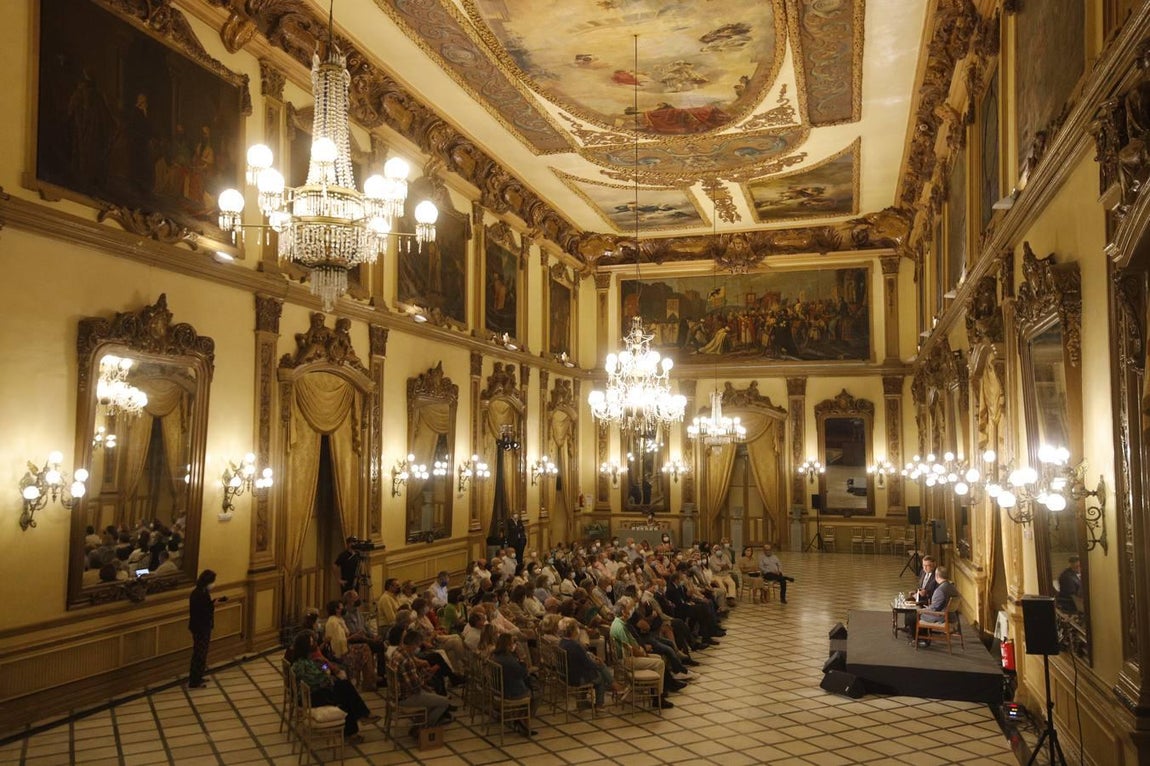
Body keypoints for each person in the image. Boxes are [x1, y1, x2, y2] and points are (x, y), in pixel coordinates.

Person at [290, 630, 377, 742]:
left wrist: (325, 668)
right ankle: (360, 718)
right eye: (312, 642)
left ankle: (356, 724)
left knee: (345, 688)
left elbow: (323, 669)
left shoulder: (307, 660)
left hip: (315, 691)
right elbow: (319, 678)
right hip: (310, 696)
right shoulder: (302, 664)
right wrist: (326, 673)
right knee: (346, 694)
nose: (315, 644)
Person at [387, 629, 453, 733]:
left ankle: (422, 722)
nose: (418, 648)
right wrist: (428, 675)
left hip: (397, 694)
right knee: (444, 702)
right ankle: (423, 728)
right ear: (414, 644)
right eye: (418, 645)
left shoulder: (398, 652)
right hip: (406, 697)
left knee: (434, 696)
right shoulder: (407, 661)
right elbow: (416, 687)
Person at [491, 632, 537, 735]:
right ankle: (523, 721)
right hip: (510, 692)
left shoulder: (495, 655)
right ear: (508, 645)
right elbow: (523, 673)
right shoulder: (508, 660)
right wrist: (522, 661)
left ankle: (519, 718)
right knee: (535, 695)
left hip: (499, 688)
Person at [187, 569, 225, 688]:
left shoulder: (202, 592)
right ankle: (195, 680)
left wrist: (213, 603)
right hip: (200, 627)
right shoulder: (198, 594)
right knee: (199, 653)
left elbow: (205, 606)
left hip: (202, 626)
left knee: (201, 653)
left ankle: (198, 677)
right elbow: (202, 611)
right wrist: (213, 606)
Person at [919, 565, 959, 633]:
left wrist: (922, 610)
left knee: (915, 615)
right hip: (953, 617)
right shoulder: (952, 587)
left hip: (943, 618)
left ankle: (922, 640)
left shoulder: (940, 590)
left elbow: (934, 609)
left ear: (936, 576)